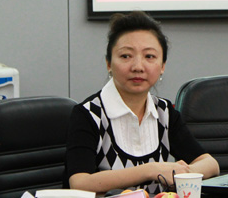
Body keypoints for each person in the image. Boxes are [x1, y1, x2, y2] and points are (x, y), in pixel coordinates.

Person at [64, 11, 219, 194]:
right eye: (126, 56)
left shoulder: (163, 112)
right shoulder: (89, 114)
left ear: (162, 66)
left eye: (149, 56)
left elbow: (210, 164)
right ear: (108, 63)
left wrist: (181, 173)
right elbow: (79, 182)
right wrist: (151, 170)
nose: (138, 67)